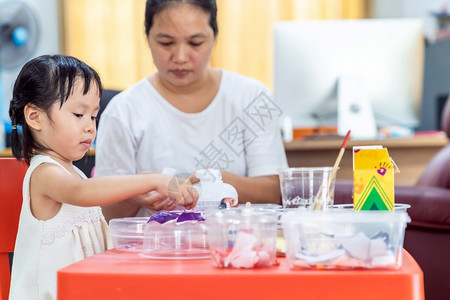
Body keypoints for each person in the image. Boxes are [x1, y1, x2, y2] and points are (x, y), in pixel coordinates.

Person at [8, 54, 198, 300]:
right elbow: (83, 193)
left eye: (93, 116)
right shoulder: (44, 172)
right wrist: (152, 180)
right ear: (35, 117)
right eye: (78, 114)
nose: (89, 126)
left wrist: (137, 192)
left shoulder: (73, 172)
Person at [95, 0, 288, 221]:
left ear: (215, 36)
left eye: (195, 43)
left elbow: (274, 192)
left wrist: (215, 181)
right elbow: (105, 214)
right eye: (166, 43)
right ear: (147, 37)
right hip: (156, 250)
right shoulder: (123, 111)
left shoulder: (253, 97)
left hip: (234, 246)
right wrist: (136, 193)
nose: (180, 57)